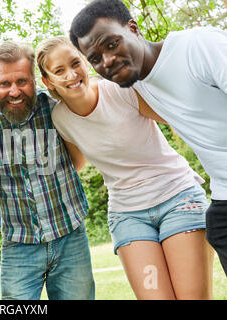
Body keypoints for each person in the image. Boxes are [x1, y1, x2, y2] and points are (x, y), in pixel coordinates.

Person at [37, 36, 213, 299]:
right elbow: (78, 162)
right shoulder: (60, 118)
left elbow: (176, 117)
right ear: (48, 81)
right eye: (59, 71)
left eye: (75, 63)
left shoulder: (119, 89)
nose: (71, 74)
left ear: (85, 62)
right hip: (128, 215)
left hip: (178, 197)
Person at [69, 0, 227, 275]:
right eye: (94, 58)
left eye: (111, 44)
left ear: (133, 28)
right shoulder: (136, 84)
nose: (106, 61)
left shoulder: (198, 47)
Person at [0, 41, 94, 300]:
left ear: (35, 80)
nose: (14, 91)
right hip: (18, 243)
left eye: (22, 81)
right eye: (4, 83)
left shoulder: (54, 106)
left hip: (70, 235)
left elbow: (78, 159)